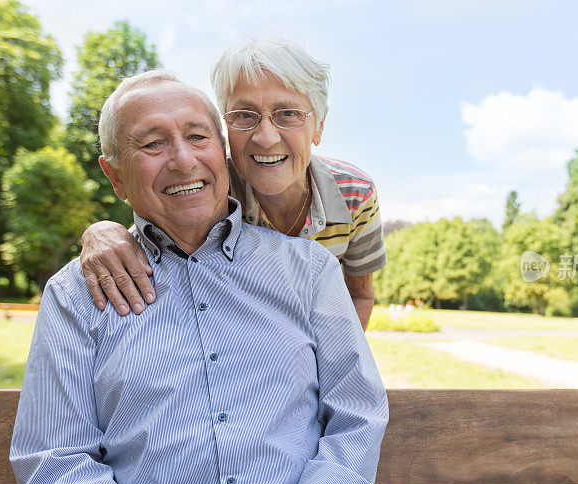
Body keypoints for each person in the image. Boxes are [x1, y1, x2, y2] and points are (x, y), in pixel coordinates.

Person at [10, 71, 403, 484]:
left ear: (223, 153)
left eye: (198, 137)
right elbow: (57, 460)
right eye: (152, 144)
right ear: (115, 176)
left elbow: (357, 416)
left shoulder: (310, 271)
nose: (181, 160)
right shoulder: (75, 294)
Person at [80, 37, 385, 330]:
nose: (266, 138)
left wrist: (332, 365)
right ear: (225, 127)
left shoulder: (355, 195)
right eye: (244, 115)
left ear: (318, 126)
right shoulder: (209, 185)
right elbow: (155, 223)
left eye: (288, 114)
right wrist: (101, 233)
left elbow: (358, 294)